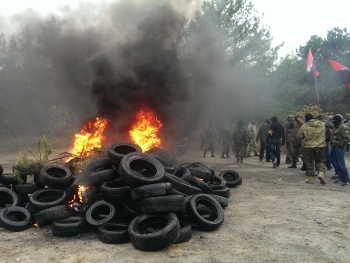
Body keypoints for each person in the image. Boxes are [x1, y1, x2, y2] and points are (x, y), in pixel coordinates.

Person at [297, 113, 326, 184]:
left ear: (306, 119)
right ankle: (321, 173)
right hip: (320, 146)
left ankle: (311, 178)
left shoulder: (304, 126)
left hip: (308, 147)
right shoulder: (322, 124)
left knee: (309, 162)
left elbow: (299, 136)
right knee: (321, 161)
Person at [329, 114, 350, 186]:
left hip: (339, 148)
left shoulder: (343, 127)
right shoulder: (337, 126)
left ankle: (346, 180)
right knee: (332, 159)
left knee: (341, 163)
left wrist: (340, 145)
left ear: (338, 120)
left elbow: (346, 138)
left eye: (334, 120)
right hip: (334, 147)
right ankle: (341, 177)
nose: (333, 121)